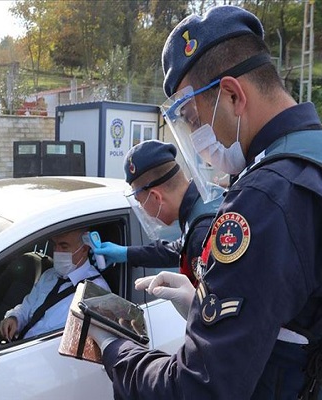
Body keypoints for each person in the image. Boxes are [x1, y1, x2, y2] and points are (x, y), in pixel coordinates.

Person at [89, 5, 322, 399]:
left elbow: (196, 389)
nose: (196, 137)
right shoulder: (308, 158)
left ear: (232, 95)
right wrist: (204, 304)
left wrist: (115, 348)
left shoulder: (265, 199)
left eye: (193, 119)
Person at [94, 140, 221, 291]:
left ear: (155, 197)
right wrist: (126, 253)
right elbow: (178, 249)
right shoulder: (204, 199)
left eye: (140, 201)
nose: (142, 208)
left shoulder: (202, 231)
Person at [0, 228, 110, 341]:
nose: (57, 251)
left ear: (84, 249)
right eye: (54, 245)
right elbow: (27, 307)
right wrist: (14, 318)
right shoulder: (49, 275)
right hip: (19, 346)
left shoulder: (96, 292)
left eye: (64, 246)